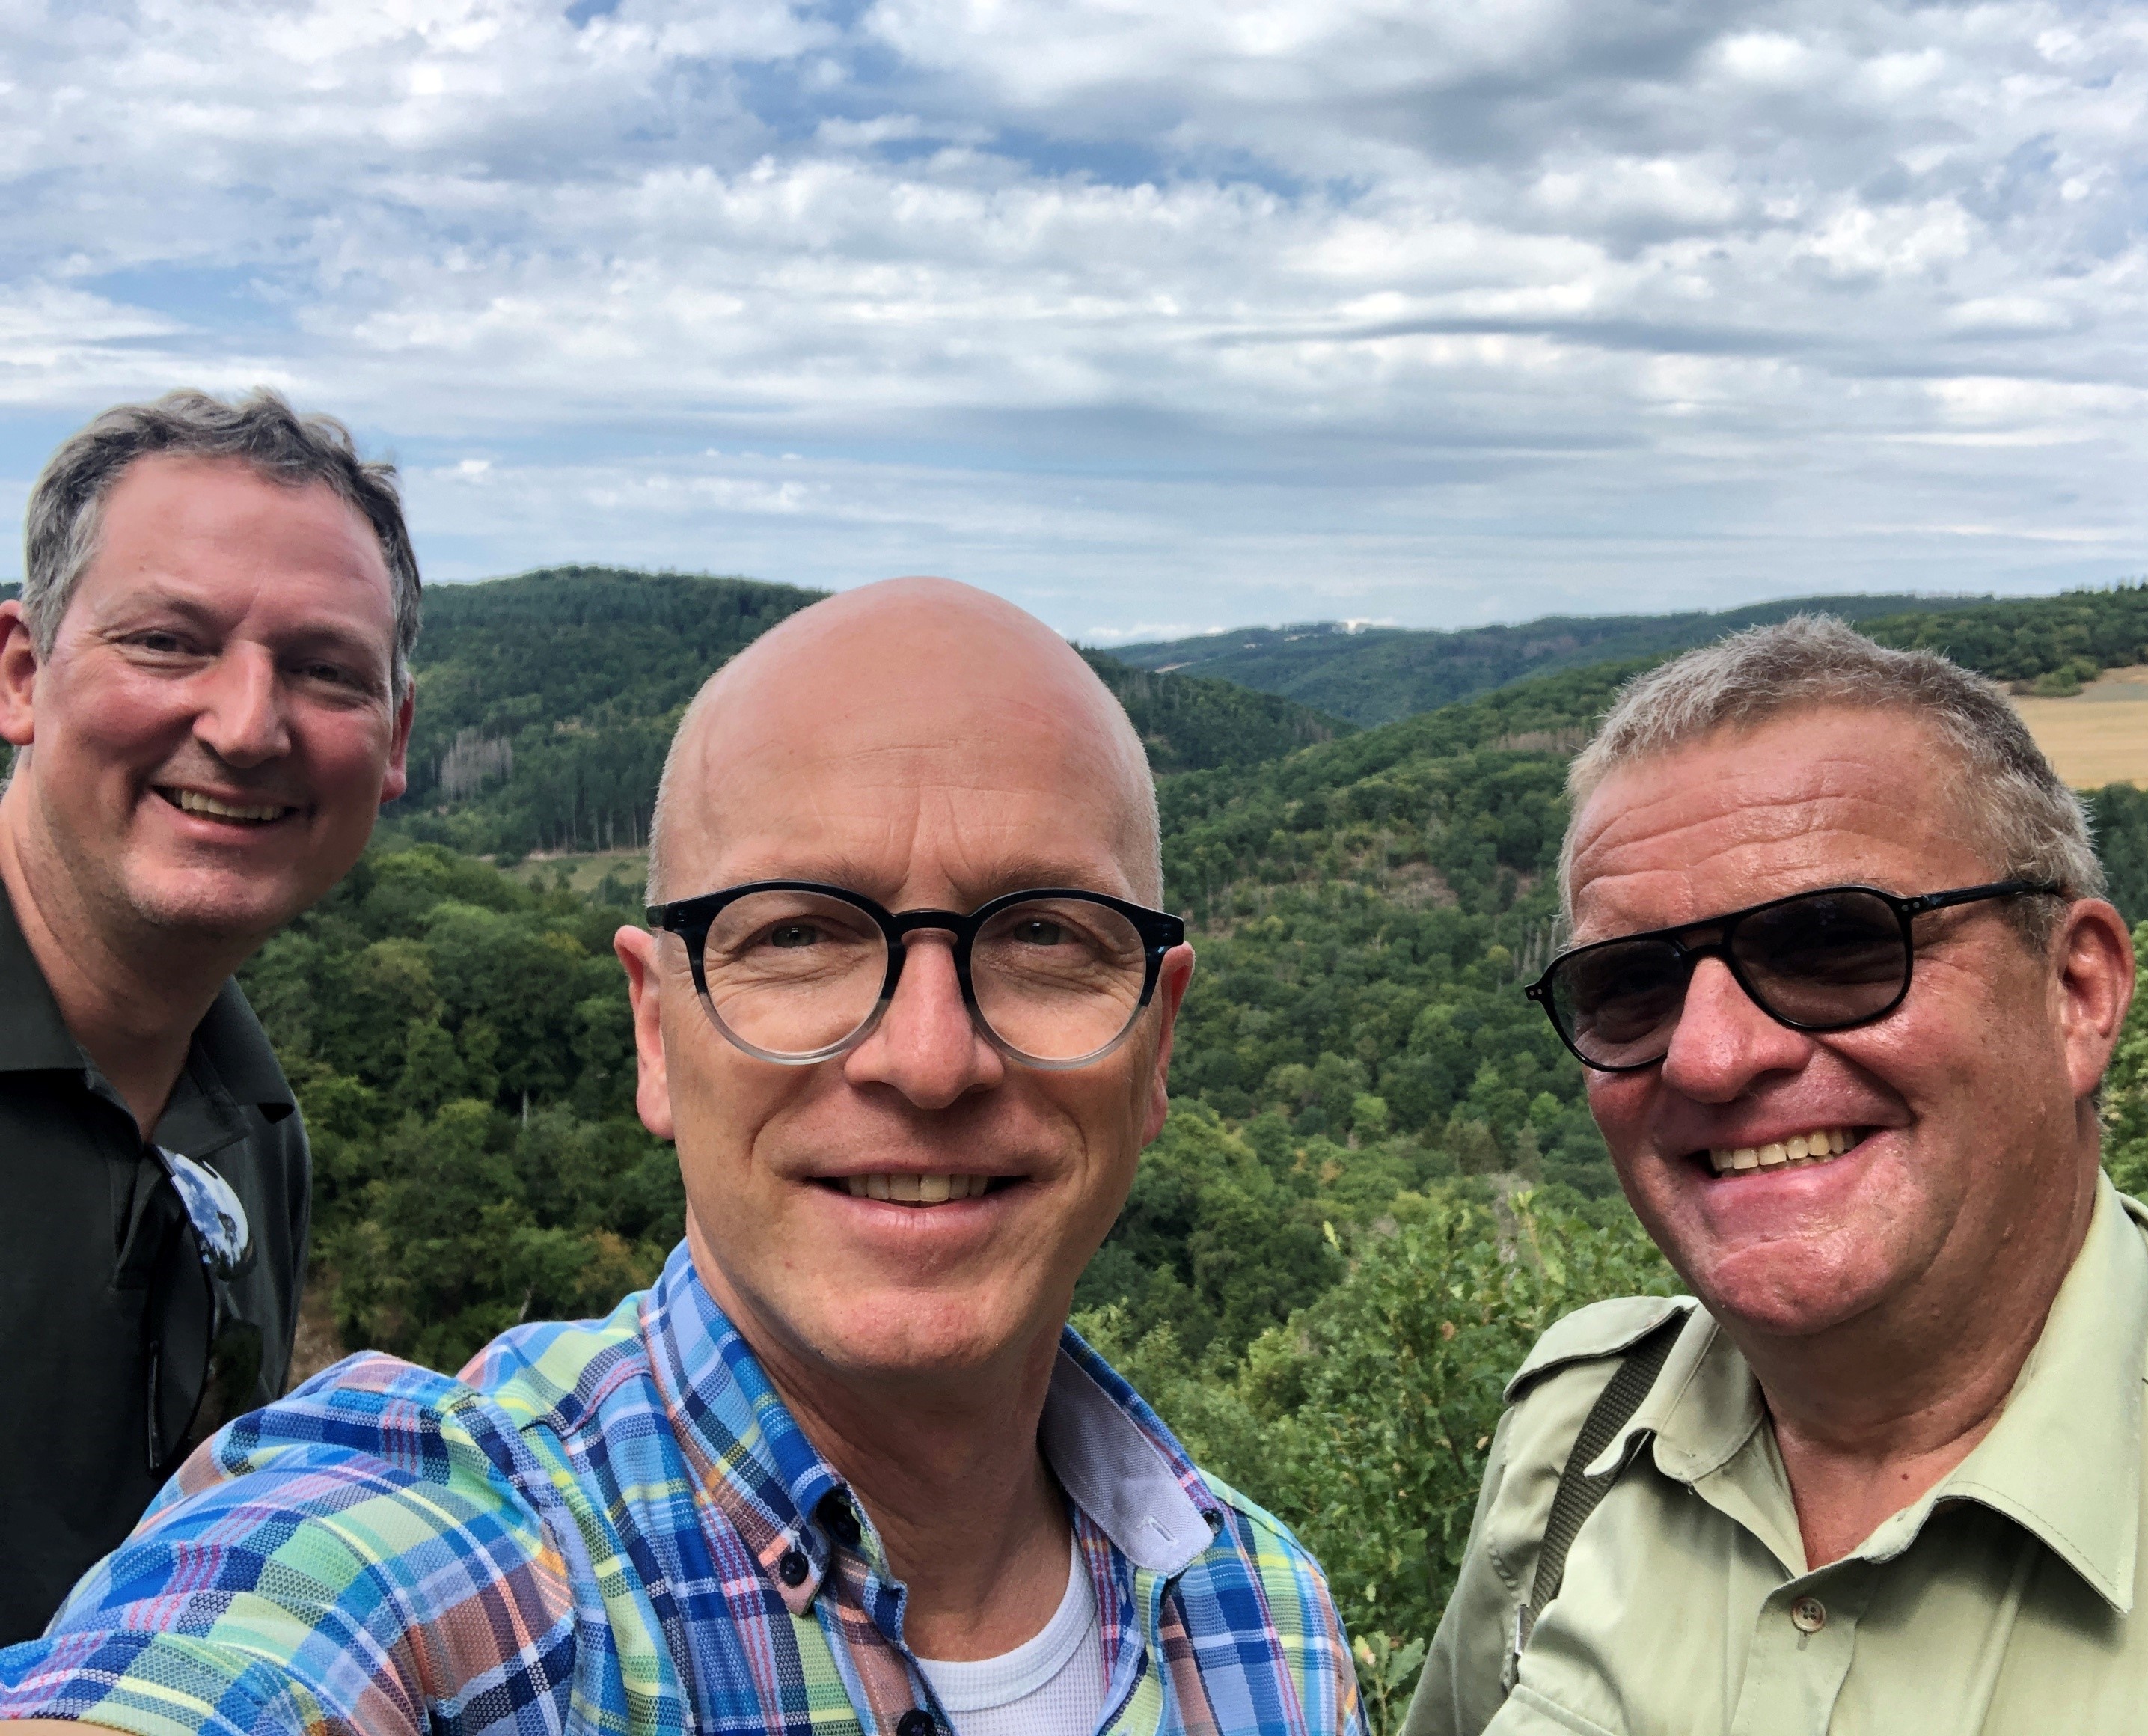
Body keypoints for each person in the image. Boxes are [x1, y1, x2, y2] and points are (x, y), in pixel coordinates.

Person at [0, 578, 1363, 1736]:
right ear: (657, 1031)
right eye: (799, 937)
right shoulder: (438, 1569)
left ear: (1159, 1038)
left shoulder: (1271, 1626)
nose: (932, 1060)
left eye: (1047, 937)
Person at [1407, 615, 2148, 1734]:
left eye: (1833, 942)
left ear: (2077, 993)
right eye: (1629, 984)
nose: (1711, 1055)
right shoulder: (1571, 1437)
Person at [0, 390, 417, 1643]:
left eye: (324, 670)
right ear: (22, 676)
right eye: (169, 642)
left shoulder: (252, 1129)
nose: (246, 726)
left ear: (394, 746)